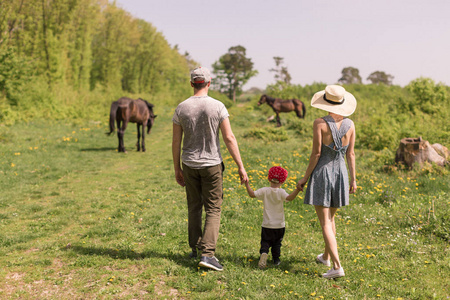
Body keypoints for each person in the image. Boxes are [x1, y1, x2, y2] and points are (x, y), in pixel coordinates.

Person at [172, 67, 248, 272]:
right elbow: (229, 138)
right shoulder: (218, 106)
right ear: (209, 83)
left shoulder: (181, 108)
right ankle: (208, 254)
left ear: (191, 84)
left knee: (194, 206)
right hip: (212, 164)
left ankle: (195, 248)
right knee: (213, 208)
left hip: (189, 164)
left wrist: (177, 168)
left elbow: (176, 141)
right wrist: (240, 166)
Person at [297, 85, 357, 279]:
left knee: (325, 222)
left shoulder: (319, 123)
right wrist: (354, 179)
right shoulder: (351, 125)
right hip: (341, 173)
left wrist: (304, 178)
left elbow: (316, 154)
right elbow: (351, 154)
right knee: (331, 219)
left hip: (323, 173)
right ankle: (325, 256)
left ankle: (337, 266)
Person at [244, 166, 300, 269]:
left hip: (267, 224)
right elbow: (290, 198)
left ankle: (264, 253)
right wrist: (297, 190)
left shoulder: (265, 191)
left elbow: (252, 194)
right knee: (277, 244)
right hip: (279, 225)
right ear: (282, 181)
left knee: (265, 241)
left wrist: (247, 184)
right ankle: (276, 260)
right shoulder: (281, 192)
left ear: (269, 178)